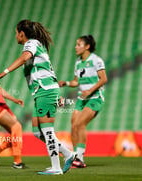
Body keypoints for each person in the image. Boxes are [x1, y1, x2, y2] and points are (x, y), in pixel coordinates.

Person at [0, 20, 76, 175]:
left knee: (47, 131)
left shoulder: (31, 43)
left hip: (45, 91)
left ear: (22, 34)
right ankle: (68, 154)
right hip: (43, 92)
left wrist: (3, 73)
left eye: (16, 33)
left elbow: (24, 58)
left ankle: (56, 168)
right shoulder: (37, 44)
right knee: (38, 132)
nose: (15, 36)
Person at [58, 35, 107, 168]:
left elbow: (103, 79)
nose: (75, 47)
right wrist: (66, 83)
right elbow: (76, 81)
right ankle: (75, 157)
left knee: (80, 123)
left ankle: (79, 157)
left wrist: (90, 91)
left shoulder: (96, 60)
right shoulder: (78, 62)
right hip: (81, 98)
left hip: (95, 97)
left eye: (79, 44)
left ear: (87, 47)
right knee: (74, 124)